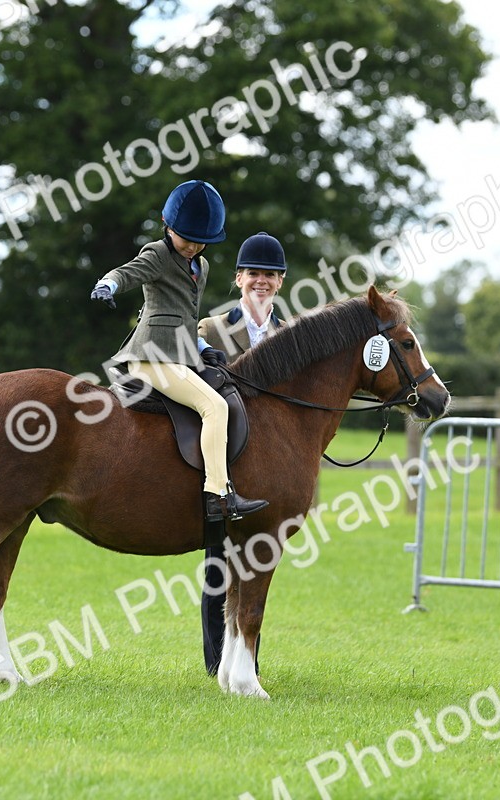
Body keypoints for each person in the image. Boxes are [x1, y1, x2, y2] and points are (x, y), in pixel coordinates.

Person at [90, 180, 269, 523]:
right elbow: (129, 272)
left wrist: (203, 346)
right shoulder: (158, 254)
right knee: (215, 407)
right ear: (167, 225)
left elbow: (188, 317)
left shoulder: (201, 267)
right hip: (150, 355)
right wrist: (107, 284)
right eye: (186, 237)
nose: (193, 246)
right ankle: (218, 495)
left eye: (201, 240)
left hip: (184, 355)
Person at [196, 231, 287, 676]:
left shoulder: (289, 336)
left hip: (267, 464)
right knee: (218, 562)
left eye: (269, 275)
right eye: (254, 273)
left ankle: (245, 659)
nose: (261, 281)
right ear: (239, 279)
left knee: (256, 561)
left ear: (281, 282)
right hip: (223, 461)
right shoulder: (211, 329)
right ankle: (217, 662)